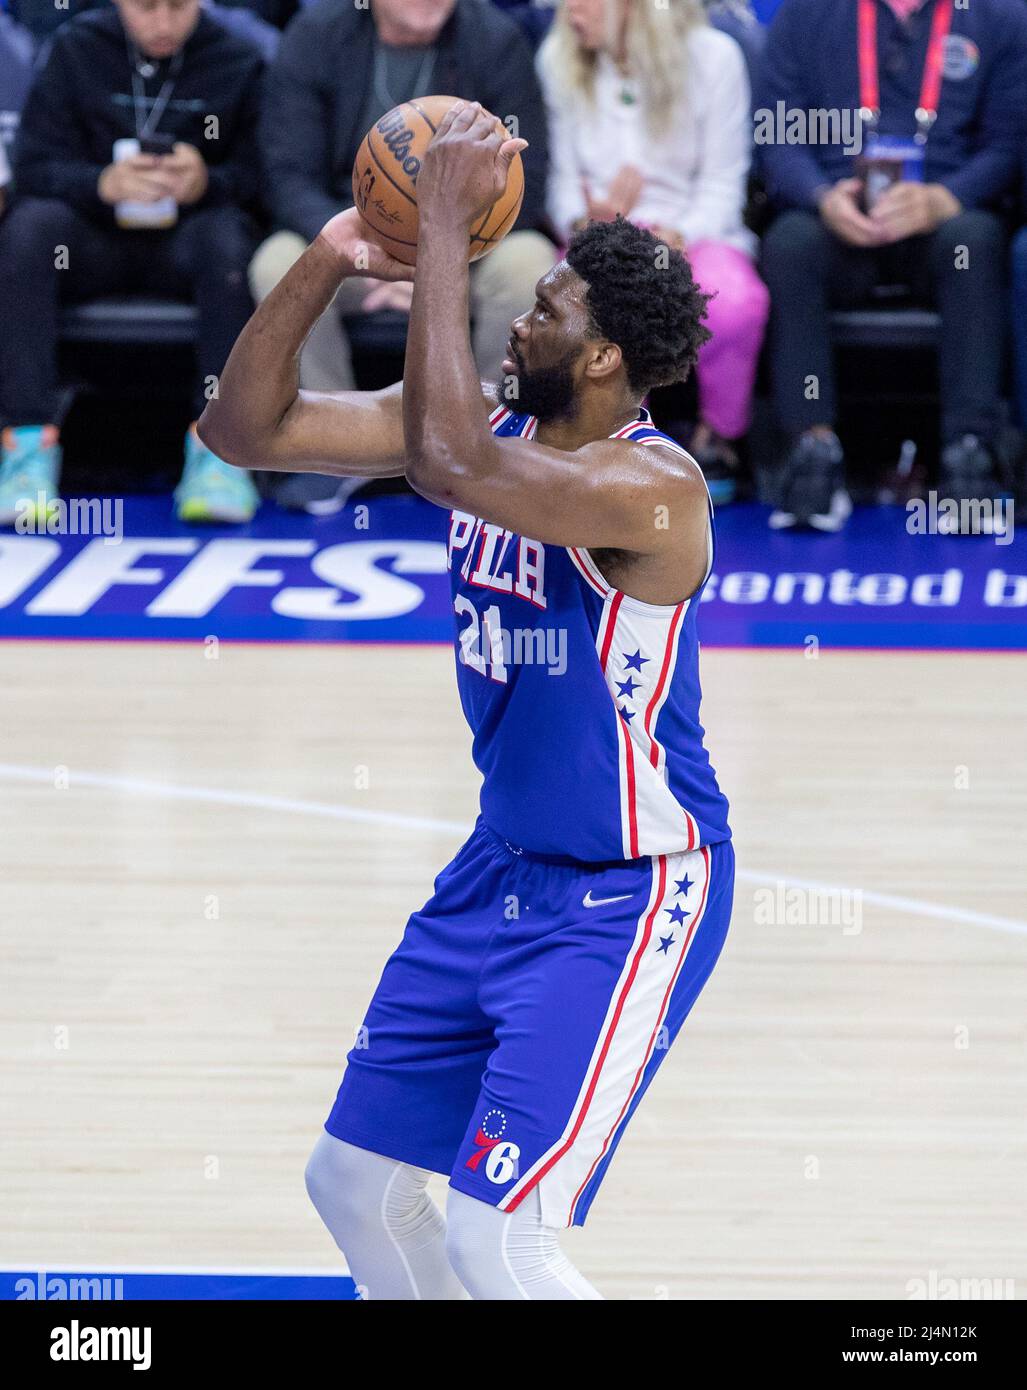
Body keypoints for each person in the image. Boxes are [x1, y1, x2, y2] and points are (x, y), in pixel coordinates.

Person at [199, 102, 734, 1300]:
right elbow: (243, 430)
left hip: (626, 894)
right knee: (350, 1184)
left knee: (501, 1241)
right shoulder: (489, 428)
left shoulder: (651, 491)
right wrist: (334, 255)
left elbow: (451, 467)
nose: (521, 317)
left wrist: (445, 228)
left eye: (546, 309)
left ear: (602, 358)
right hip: (500, 872)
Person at [249, 0, 556, 509]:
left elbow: (530, 182)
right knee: (274, 263)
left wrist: (437, 264)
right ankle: (329, 453)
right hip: (354, 238)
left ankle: (486, 446)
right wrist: (366, 251)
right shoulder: (315, 35)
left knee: (528, 261)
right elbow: (286, 176)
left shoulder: (494, 39)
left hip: (469, 245)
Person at [759, 0, 1027, 530]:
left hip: (943, 217)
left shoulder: (1001, 16)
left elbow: (1008, 145)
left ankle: (969, 452)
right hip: (838, 217)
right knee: (790, 241)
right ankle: (814, 448)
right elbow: (777, 136)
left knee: (973, 240)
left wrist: (946, 198)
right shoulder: (805, 14)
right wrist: (820, 197)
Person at [0, 0, 264, 525]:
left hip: (188, 241)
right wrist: (98, 183)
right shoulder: (77, 48)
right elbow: (32, 166)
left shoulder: (237, 57)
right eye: (146, 8)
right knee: (29, 230)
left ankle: (219, 452)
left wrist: (207, 182)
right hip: (93, 239)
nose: (163, 24)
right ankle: (26, 448)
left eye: (177, 7)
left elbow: (266, 177)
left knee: (230, 242)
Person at [538, 0, 768, 505]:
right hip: (598, 235)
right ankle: (584, 444)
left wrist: (673, 235)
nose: (569, 9)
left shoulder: (715, 58)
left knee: (734, 302)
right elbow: (560, 187)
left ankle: (717, 438)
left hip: (693, 231)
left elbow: (723, 188)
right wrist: (583, 220)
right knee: (560, 308)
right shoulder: (558, 58)